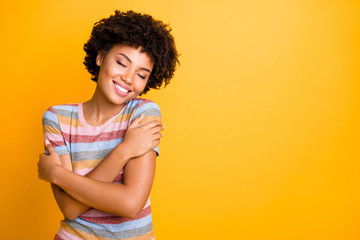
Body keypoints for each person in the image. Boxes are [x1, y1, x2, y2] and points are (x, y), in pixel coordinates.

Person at [37, 10, 179, 240]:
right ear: (101, 57)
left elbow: (131, 204)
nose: (128, 78)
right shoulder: (57, 118)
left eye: (141, 75)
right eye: (122, 63)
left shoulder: (143, 113)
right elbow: (70, 209)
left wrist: (56, 174)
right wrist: (125, 150)